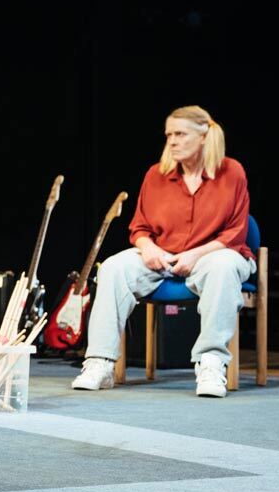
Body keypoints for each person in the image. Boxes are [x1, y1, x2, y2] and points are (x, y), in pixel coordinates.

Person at [71, 105, 254, 398]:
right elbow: (139, 228)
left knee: (223, 266)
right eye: (169, 134)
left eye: (180, 134)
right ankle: (99, 362)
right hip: (163, 257)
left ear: (204, 135)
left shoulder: (231, 172)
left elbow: (235, 232)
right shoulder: (156, 175)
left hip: (214, 255)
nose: (172, 141)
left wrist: (196, 254)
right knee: (114, 267)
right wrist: (148, 248)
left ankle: (211, 363)